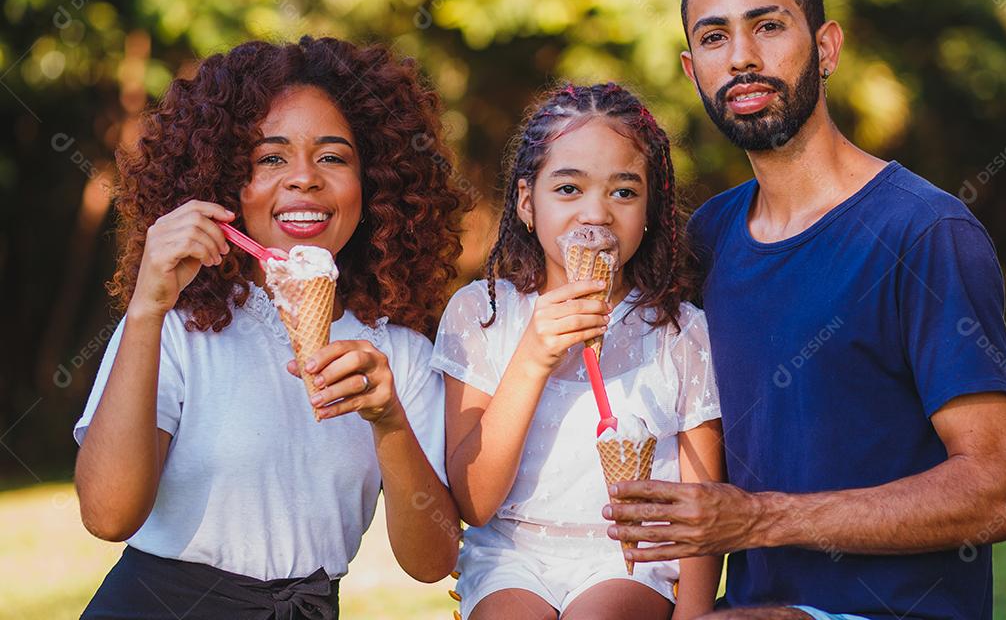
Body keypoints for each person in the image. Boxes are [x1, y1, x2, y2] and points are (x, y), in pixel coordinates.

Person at [604, 0, 1006, 620]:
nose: (741, 57)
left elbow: (1000, 491)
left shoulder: (923, 232)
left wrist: (760, 519)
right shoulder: (704, 240)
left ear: (826, 47)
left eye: (767, 26)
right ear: (692, 71)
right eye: (715, 38)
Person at [73, 36, 466, 618]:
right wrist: (147, 308)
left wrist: (388, 421)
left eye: (333, 157)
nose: (303, 178)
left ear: (375, 184)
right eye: (270, 157)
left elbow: (432, 562)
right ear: (225, 181)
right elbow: (107, 516)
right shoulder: (176, 327)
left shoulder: (396, 352)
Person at [434, 83, 724, 620]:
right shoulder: (482, 313)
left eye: (623, 192)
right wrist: (533, 356)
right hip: (510, 554)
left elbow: (701, 507)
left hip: (629, 557)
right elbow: (474, 503)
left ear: (650, 208)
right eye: (568, 189)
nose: (596, 213)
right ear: (526, 202)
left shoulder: (681, 332)